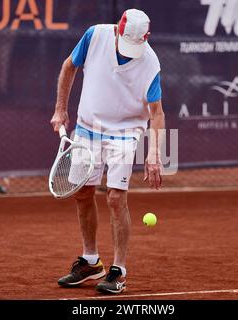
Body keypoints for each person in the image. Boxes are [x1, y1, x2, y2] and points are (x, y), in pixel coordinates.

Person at [50, 8, 165, 294]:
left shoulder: (150, 62)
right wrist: (60, 109)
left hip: (125, 134)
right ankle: (90, 261)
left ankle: (119, 271)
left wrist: (153, 154)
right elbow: (69, 67)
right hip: (88, 128)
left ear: (146, 38)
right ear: (116, 30)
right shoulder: (95, 35)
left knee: (115, 198)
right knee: (82, 193)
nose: (128, 50)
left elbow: (157, 113)